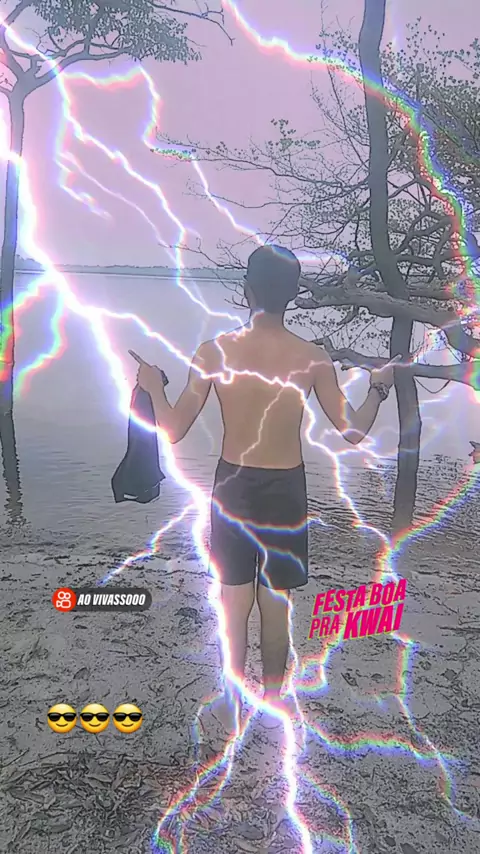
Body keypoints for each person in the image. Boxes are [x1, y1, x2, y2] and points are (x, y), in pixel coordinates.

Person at [131, 245, 398, 720]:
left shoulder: (214, 352)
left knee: (234, 599)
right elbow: (353, 431)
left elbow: (172, 429)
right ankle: (274, 698)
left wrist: (153, 386)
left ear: (246, 289)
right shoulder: (312, 358)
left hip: (232, 485)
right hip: (286, 490)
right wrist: (378, 387)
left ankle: (234, 699)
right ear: (291, 295)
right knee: (276, 601)